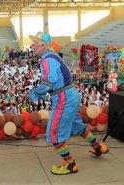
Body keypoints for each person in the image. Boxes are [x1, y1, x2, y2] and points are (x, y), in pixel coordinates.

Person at [29, 31, 109, 175]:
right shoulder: (53, 57)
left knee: (54, 134)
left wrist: (35, 93)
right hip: (71, 96)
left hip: (63, 98)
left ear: (43, 45)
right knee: (77, 126)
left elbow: (48, 83)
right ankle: (98, 147)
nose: (32, 45)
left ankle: (70, 164)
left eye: (35, 42)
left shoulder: (47, 60)